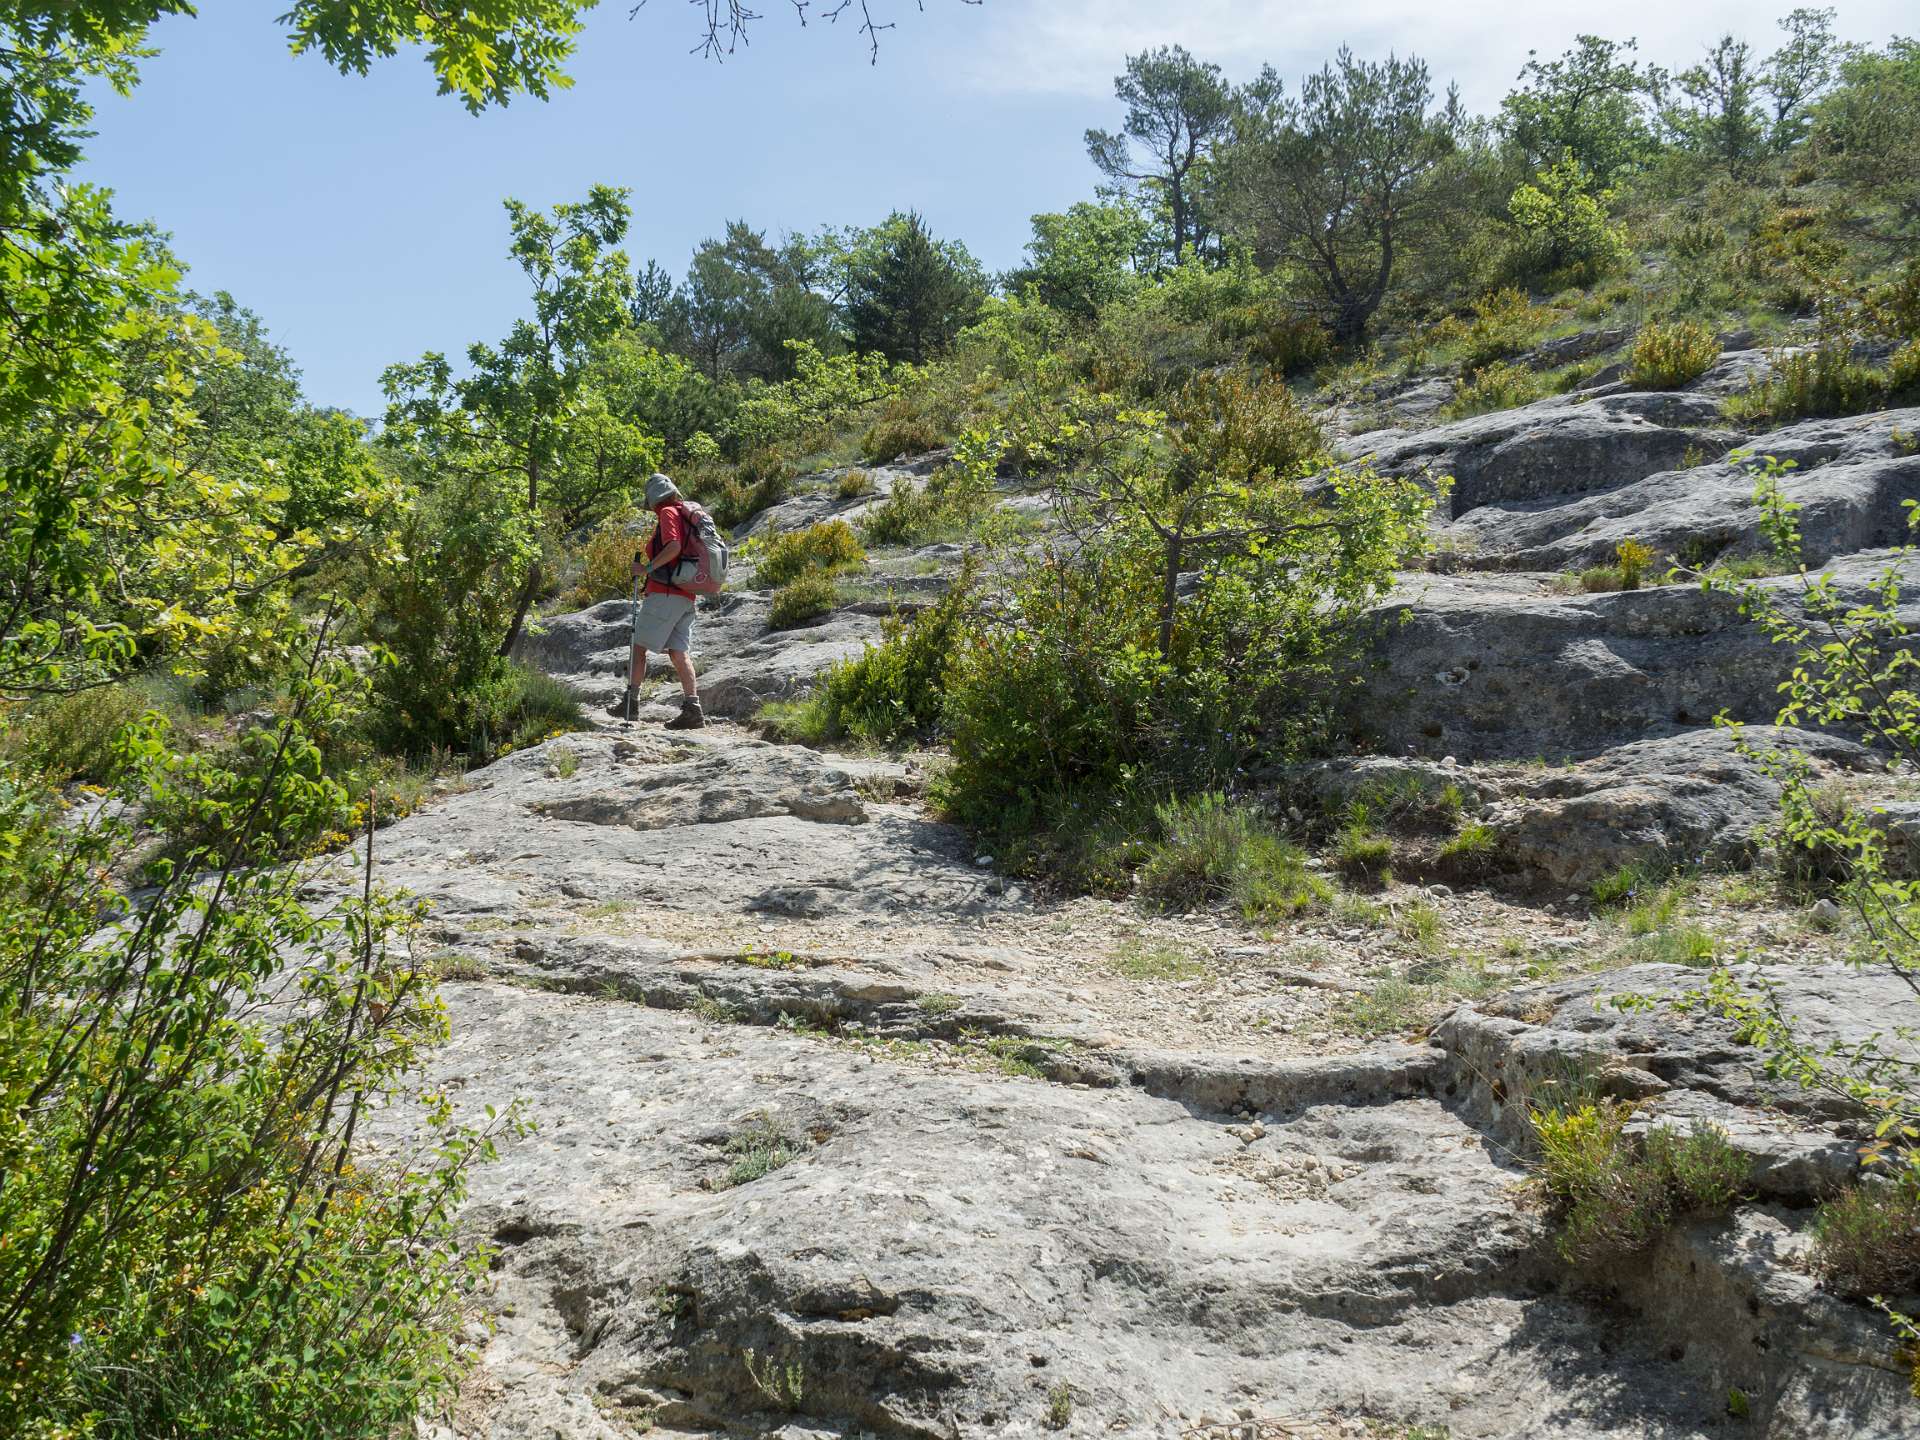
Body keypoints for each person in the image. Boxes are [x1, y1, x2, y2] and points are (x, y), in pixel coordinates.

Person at [626, 472, 704, 730]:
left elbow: (674, 547)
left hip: (665, 592)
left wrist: (646, 569)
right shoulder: (684, 514)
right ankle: (693, 710)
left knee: (638, 646)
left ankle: (631, 704)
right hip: (685, 595)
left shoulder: (668, 513)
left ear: (653, 499)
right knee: (678, 653)